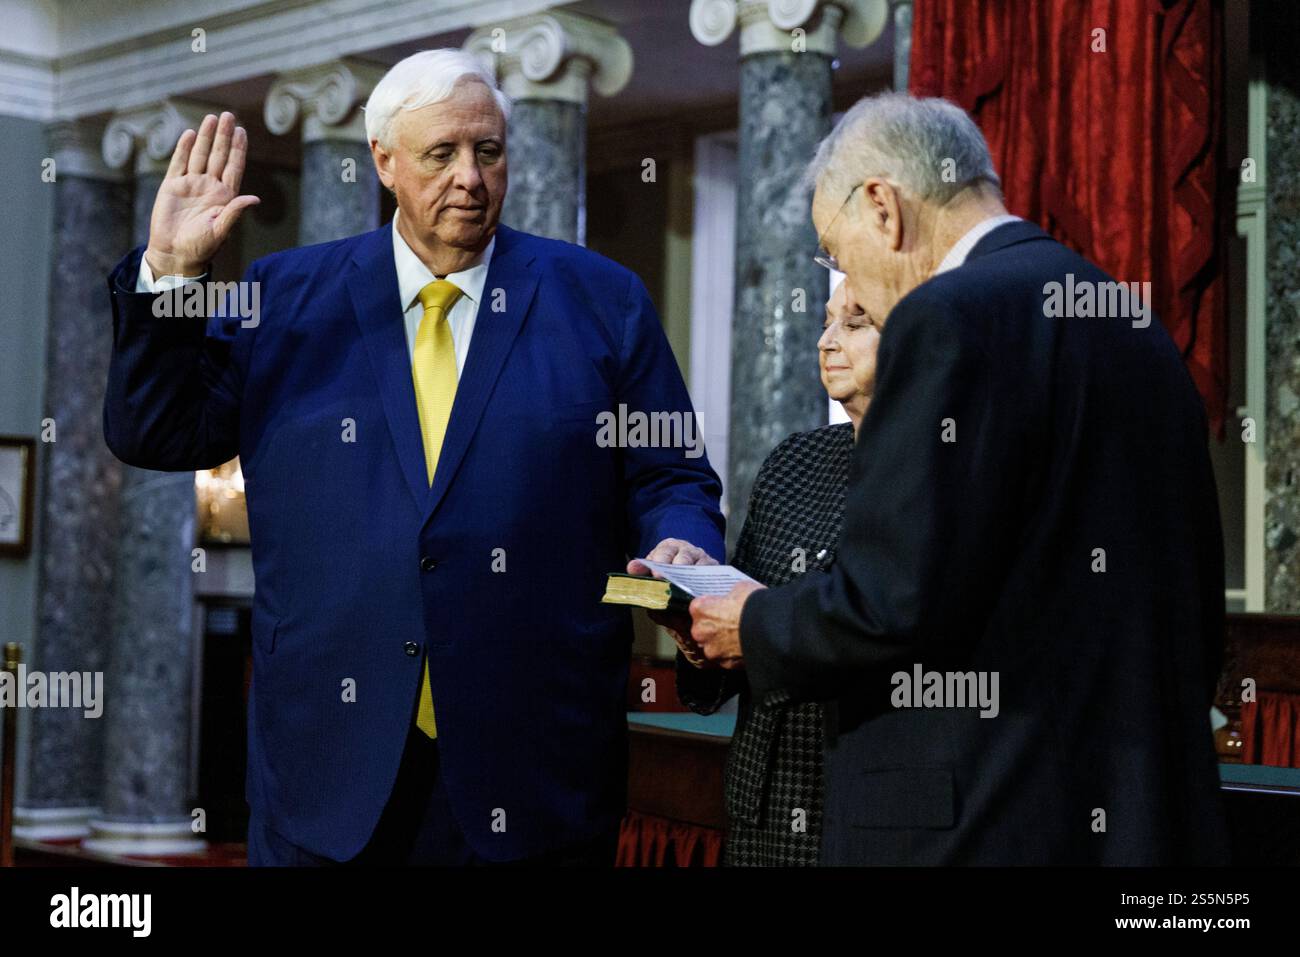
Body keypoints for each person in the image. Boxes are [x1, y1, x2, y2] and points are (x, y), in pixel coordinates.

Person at [102, 49, 723, 866]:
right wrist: (174, 276)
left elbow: (671, 472)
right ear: (384, 163)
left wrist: (683, 540)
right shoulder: (286, 300)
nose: (470, 177)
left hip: (533, 768)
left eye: (488, 152)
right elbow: (156, 430)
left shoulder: (601, 301)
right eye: (442, 154)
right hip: (326, 770)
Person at [687, 93, 1230, 865]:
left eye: (837, 256)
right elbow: (1192, 608)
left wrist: (754, 623)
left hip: (974, 823)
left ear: (882, 206)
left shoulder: (945, 317)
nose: (852, 287)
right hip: (1140, 818)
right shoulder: (1134, 322)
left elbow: (886, 601)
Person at [672, 282, 878, 865]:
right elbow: (741, 639)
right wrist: (698, 635)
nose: (825, 341)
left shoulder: (950, 467)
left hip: (862, 803)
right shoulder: (795, 461)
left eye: (854, 323)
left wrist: (761, 627)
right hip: (763, 812)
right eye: (827, 320)